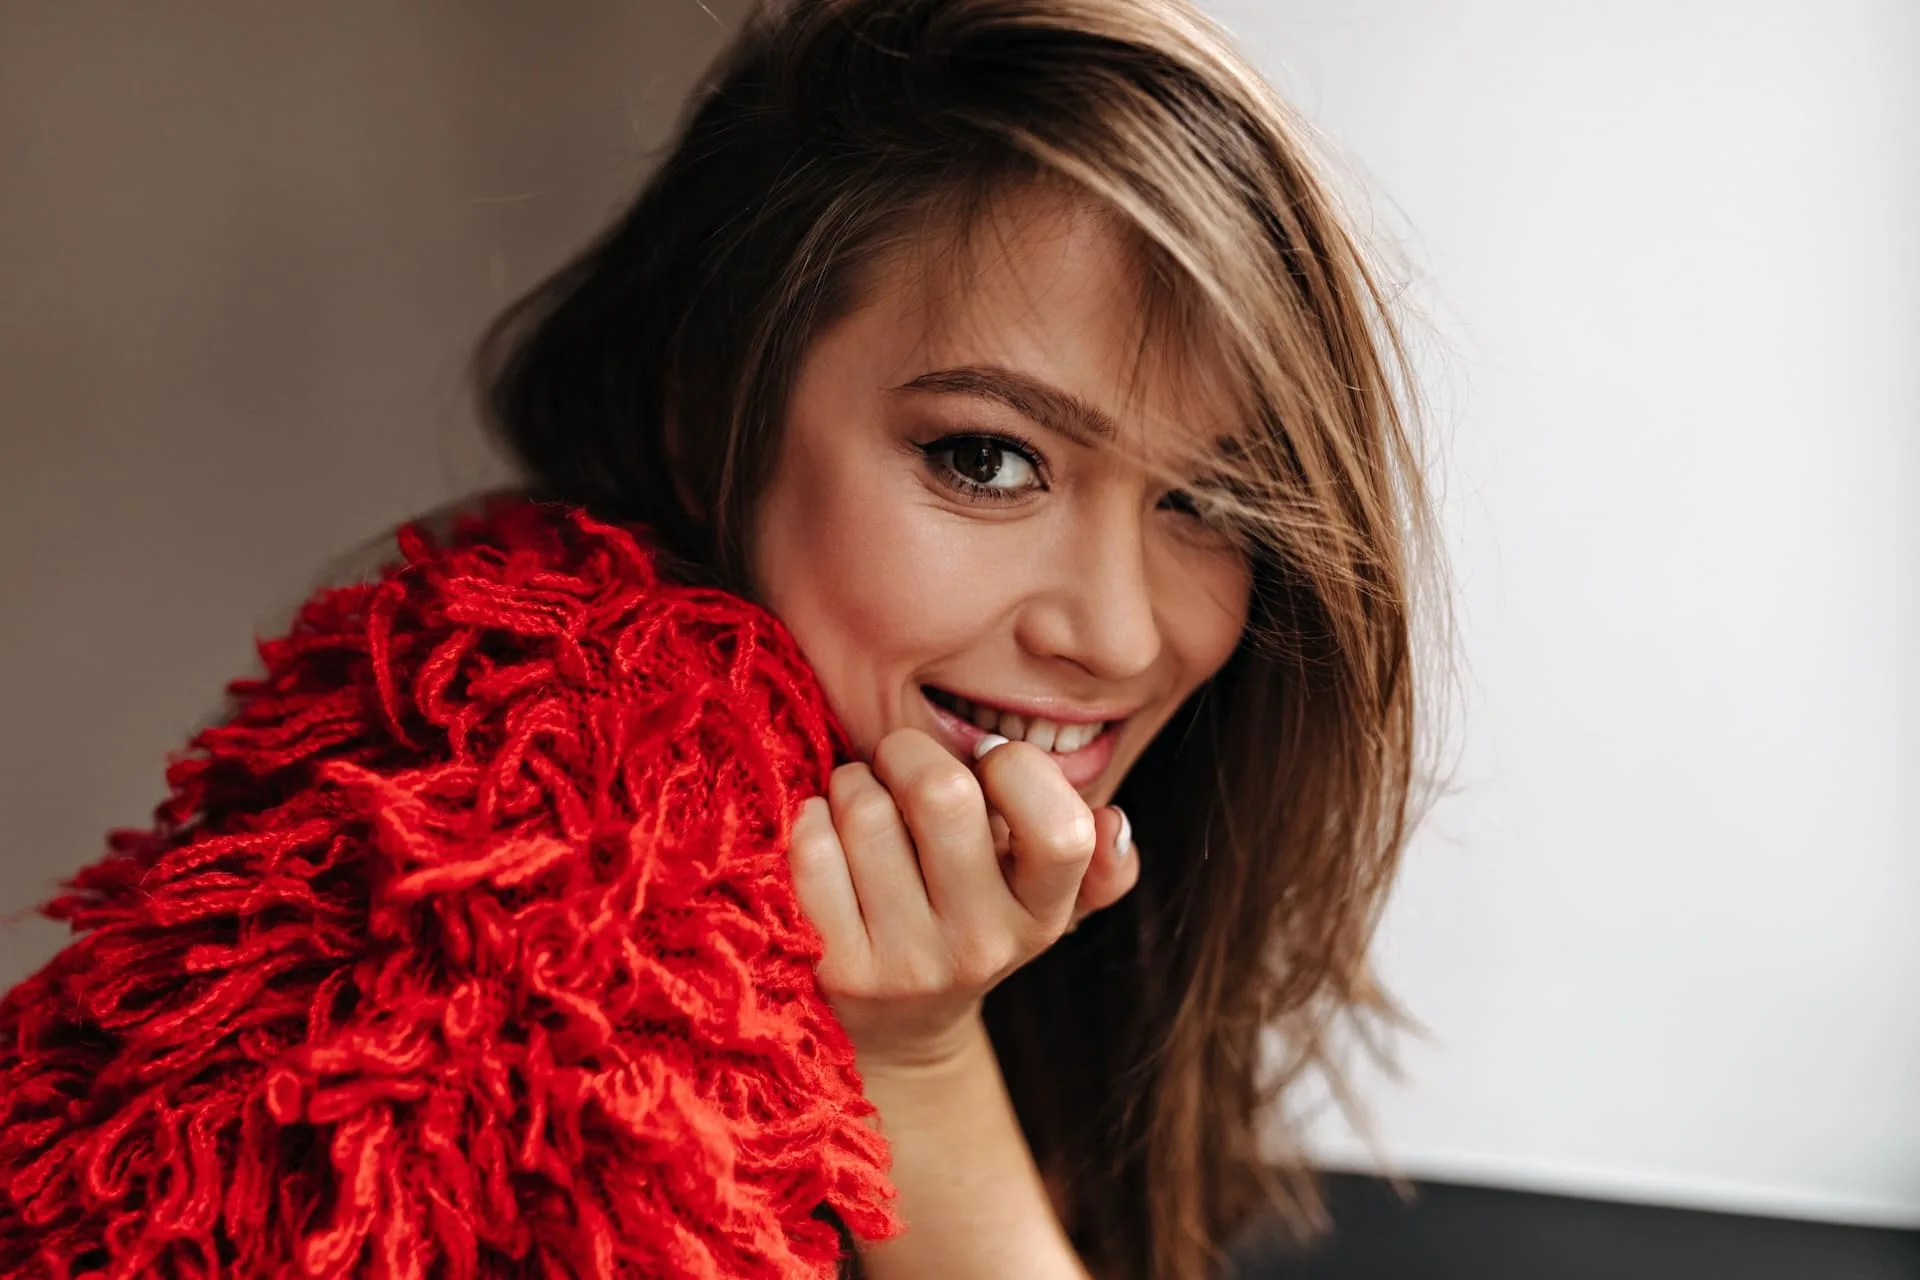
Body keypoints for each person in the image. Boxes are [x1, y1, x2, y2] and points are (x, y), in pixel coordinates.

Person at [0, 2, 1433, 1277]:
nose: (1115, 633)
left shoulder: (1029, 894)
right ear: (713, 419)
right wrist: (916, 1071)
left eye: (1207, 499)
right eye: (987, 462)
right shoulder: (536, 884)